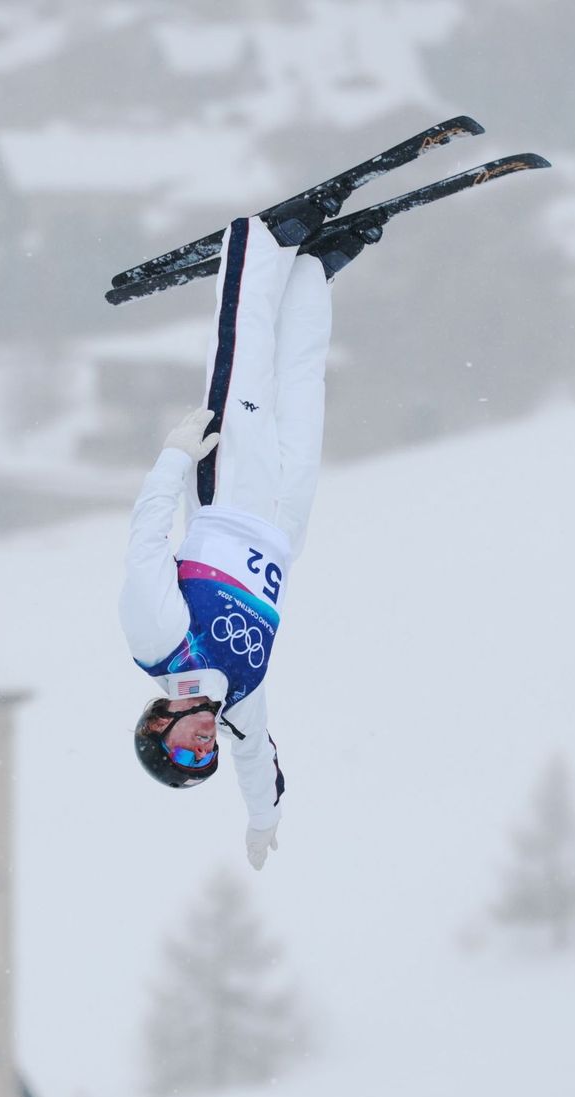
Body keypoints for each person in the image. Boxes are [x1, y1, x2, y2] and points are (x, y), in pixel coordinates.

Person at [118, 203, 377, 871]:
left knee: (242, 365)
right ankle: (312, 274)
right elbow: (255, 754)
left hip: (226, 495)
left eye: (185, 751)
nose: (203, 745)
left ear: (158, 725)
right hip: (284, 524)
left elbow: (145, 545)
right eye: (202, 758)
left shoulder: (160, 647)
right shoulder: (241, 695)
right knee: (302, 387)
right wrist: (263, 817)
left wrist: (175, 458)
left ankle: (258, 249)